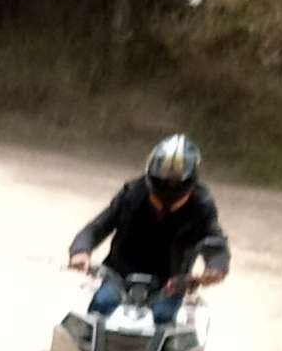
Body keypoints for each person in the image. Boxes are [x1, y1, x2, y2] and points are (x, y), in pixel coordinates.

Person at [69, 134, 231, 322]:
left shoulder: (201, 205)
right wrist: (81, 251)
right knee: (101, 307)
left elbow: (214, 241)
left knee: (164, 318)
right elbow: (98, 226)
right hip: (120, 276)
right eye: (163, 178)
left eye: (175, 181)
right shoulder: (132, 194)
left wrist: (216, 266)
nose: (168, 184)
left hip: (171, 283)